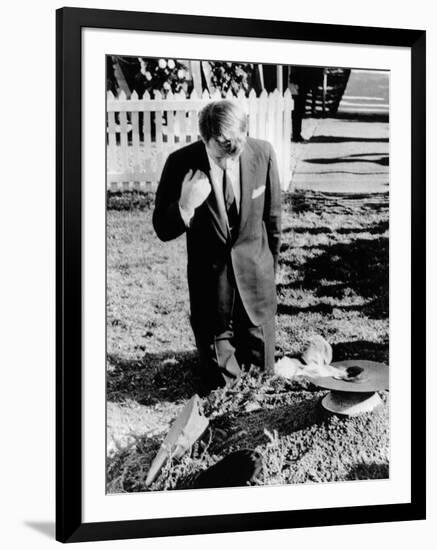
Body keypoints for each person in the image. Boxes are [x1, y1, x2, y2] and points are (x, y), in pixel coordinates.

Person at [153, 100, 281, 394]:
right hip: (211, 296)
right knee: (221, 390)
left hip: (256, 289)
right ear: (204, 138)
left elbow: (272, 220)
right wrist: (185, 205)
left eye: (235, 151)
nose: (229, 161)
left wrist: (268, 274)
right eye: (220, 152)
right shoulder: (180, 163)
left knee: (263, 384)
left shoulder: (263, 154)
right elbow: (162, 228)